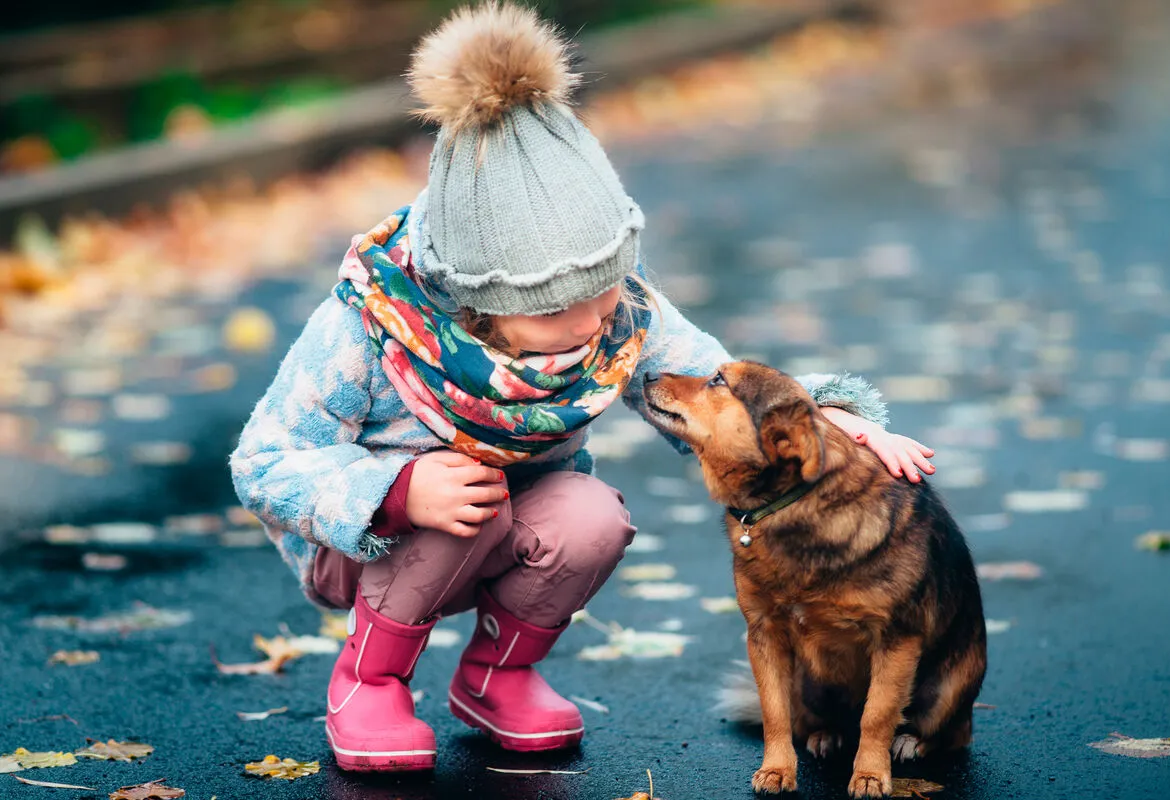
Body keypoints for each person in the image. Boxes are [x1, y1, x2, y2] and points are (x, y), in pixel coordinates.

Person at [230, 1, 935, 773]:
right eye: (561, 306)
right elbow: (263, 461)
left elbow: (714, 387)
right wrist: (396, 492)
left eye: (607, 288)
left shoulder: (612, 310)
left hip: (502, 528)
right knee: (468, 495)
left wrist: (830, 425)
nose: (597, 319)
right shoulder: (369, 328)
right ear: (477, 300)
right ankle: (368, 681)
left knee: (592, 515)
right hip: (366, 546)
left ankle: (497, 676)